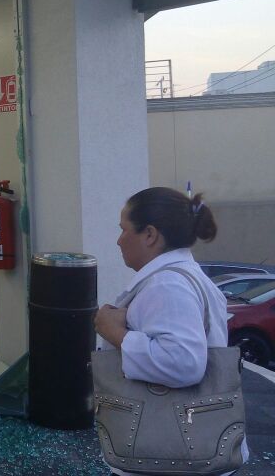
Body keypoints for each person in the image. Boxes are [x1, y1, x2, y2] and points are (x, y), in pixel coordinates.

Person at [95, 186, 248, 475]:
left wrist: (112, 331)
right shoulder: (184, 278)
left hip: (167, 457)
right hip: (192, 448)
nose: (118, 240)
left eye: (124, 229)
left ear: (150, 234)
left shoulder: (167, 284)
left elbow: (183, 363)